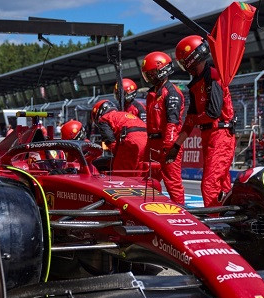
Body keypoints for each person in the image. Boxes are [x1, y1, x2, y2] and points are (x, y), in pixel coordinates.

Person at [167, 35, 235, 207]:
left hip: (220, 134)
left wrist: (195, 120)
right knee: (223, 184)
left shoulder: (214, 77)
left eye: (184, 61)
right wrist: (176, 145)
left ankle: (214, 224)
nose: (184, 66)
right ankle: (227, 219)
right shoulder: (196, 84)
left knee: (210, 185)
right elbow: (190, 119)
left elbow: (212, 113)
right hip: (209, 135)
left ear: (192, 59)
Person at [141, 50, 186, 205]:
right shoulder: (151, 94)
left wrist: (170, 146)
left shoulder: (172, 93)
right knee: (147, 181)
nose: (150, 76)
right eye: (148, 74)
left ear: (162, 70)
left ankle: (180, 215)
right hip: (152, 143)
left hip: (167, 144)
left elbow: (173, 122)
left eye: (152, 73)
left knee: (172, 182)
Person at [91, 99, 147, 173]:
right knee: (138, 172)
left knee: (119, 172)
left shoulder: (104, 118)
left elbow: (109, 139)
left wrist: (116, 154)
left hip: (131, 140)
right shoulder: (125, 115)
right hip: (146, 140)